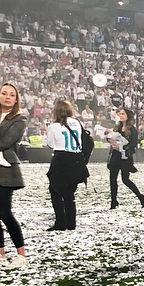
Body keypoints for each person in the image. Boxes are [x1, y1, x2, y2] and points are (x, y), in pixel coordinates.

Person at [0, 82, 28, 267]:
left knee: (4, 212)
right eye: (4, 93)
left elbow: (6, 141)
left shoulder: (20, 118)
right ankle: (0, 254)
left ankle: (21, 255)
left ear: (16, 99)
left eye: (12, 95)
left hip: (6, 169)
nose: (7, 97)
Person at [45, 99, 84, 231]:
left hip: (61, 159)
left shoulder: (54, 126)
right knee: (69, 193)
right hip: (75, 158)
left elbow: (51, 144)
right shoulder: (77, 123)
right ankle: (71, 223)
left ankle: (61, 222)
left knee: (55, 191)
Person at [105, 106, 144, 209]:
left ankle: (140, 197)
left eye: (122, 114)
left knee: (125, 180)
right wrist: (111, 142)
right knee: (112, 179)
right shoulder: (117, 127)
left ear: (128, 116)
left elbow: (133, 144)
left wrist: (122, 147)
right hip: (115, 155)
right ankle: (113, 201)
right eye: (119, 114)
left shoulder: (132, 129)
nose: (120, 115)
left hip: (125, 157)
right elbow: (112, 137)